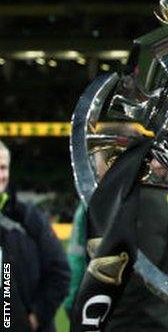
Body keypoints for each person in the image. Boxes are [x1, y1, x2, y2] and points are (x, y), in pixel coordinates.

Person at [0, 141, 71, 332]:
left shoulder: (29, 218)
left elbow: (60, 273)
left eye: (3, 168)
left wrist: (36, 316)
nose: (1, 175)